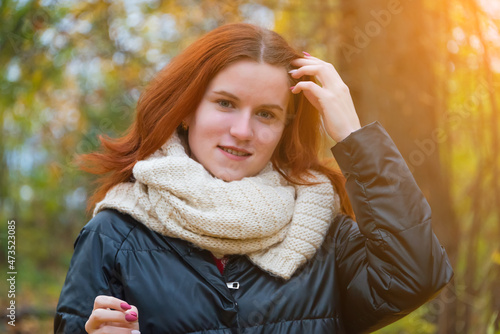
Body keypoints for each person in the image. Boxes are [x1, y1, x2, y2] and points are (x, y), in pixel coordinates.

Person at [54, 23, 453, 334]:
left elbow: (415, 276)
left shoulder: (320, 231)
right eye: (226, 104)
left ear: (284, 128)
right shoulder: (114, 235)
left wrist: (353, 135)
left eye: (266, 113)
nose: (243, 131)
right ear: (187, 109)